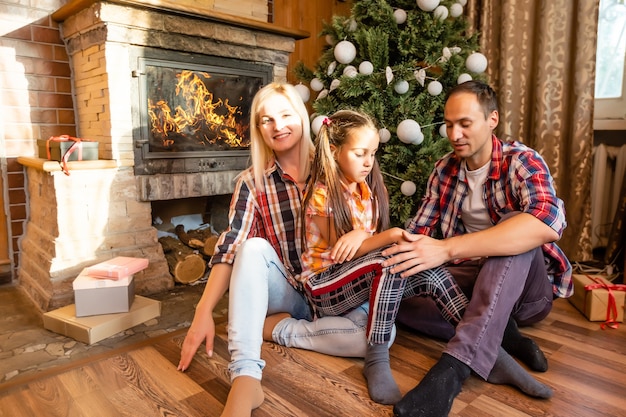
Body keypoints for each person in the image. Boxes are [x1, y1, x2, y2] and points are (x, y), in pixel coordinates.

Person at [177, 83, 375, 417]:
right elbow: (230, 248)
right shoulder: (251, 183)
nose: (277, 125)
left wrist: (360, 234)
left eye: (285, 115)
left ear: (301, 116)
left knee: (377, 336)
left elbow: (368, 216)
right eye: (266, 120)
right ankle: (245, 379)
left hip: (335, 293)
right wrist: (203, 312)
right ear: (259, 130)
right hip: (290, 292)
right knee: (252, 248)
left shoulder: (337, 166)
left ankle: (278, 331)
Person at [385, 80, 572, 417]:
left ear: (492, 120)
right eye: (450, 124)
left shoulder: (521, 161)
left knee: (518, 227)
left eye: (465, 123)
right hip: (473, 281)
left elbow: (547, 223)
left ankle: (452, 371)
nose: (455, 133)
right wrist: (377, 256)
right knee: (397, 296)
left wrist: (446, 249)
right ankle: (501, 337)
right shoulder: (444, 170)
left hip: (528, 293)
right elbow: (418, 234)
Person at [299, 109, 469, 405]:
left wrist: (367, 237)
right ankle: (376, 357)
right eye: (360, 153)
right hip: (323, 288)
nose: (368, 162)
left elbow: (367, 249)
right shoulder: (320, 196)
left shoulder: (369, 190)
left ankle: (481, 343)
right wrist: (386, 236)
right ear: (335, 151)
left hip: (359, 285)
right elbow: (343, 257)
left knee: (429, 271)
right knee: (389, 258)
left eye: (373, 153)